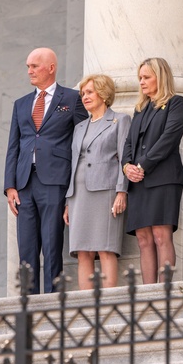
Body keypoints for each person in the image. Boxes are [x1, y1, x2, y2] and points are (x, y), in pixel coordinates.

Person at [4, 47, 88, 295]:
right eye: (28, 66)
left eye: (34, 66)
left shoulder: (72, 99)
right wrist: (10, 185)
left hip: (55, 181)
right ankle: (28, 303)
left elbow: (82, 144)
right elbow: (13, 146)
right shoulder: (21, 104)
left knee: (52, 244)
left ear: (51, 67)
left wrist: (75, 190)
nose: (29, 71)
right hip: (24, 184)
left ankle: (52, 301)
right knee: (26, 248)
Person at [122, 58, 183, 284]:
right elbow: (129, 143)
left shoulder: (175, 103)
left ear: (160, 77)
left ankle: (165, 292)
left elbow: (169, 139)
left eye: (146, 77)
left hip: (163, 178)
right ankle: (147, 293)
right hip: (138, 182)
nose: (141, 82)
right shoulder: (140, 108)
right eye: (140, 77)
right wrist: (127, 166)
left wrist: (142, 165)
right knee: (143, 239)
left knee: (161, 235)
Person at [62, 73, 130, 289]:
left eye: (90, 92)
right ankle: (86, 307)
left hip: (106, 192)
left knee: (106, 248)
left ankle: (108, 305)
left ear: (103, 93)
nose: (85, 97)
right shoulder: (79, 127)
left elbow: (124, 159)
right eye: (83, 93)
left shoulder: (120, 120)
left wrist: (122, 191)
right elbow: (74, 163)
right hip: (78, 195)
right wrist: (67, 200)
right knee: (82, 251)